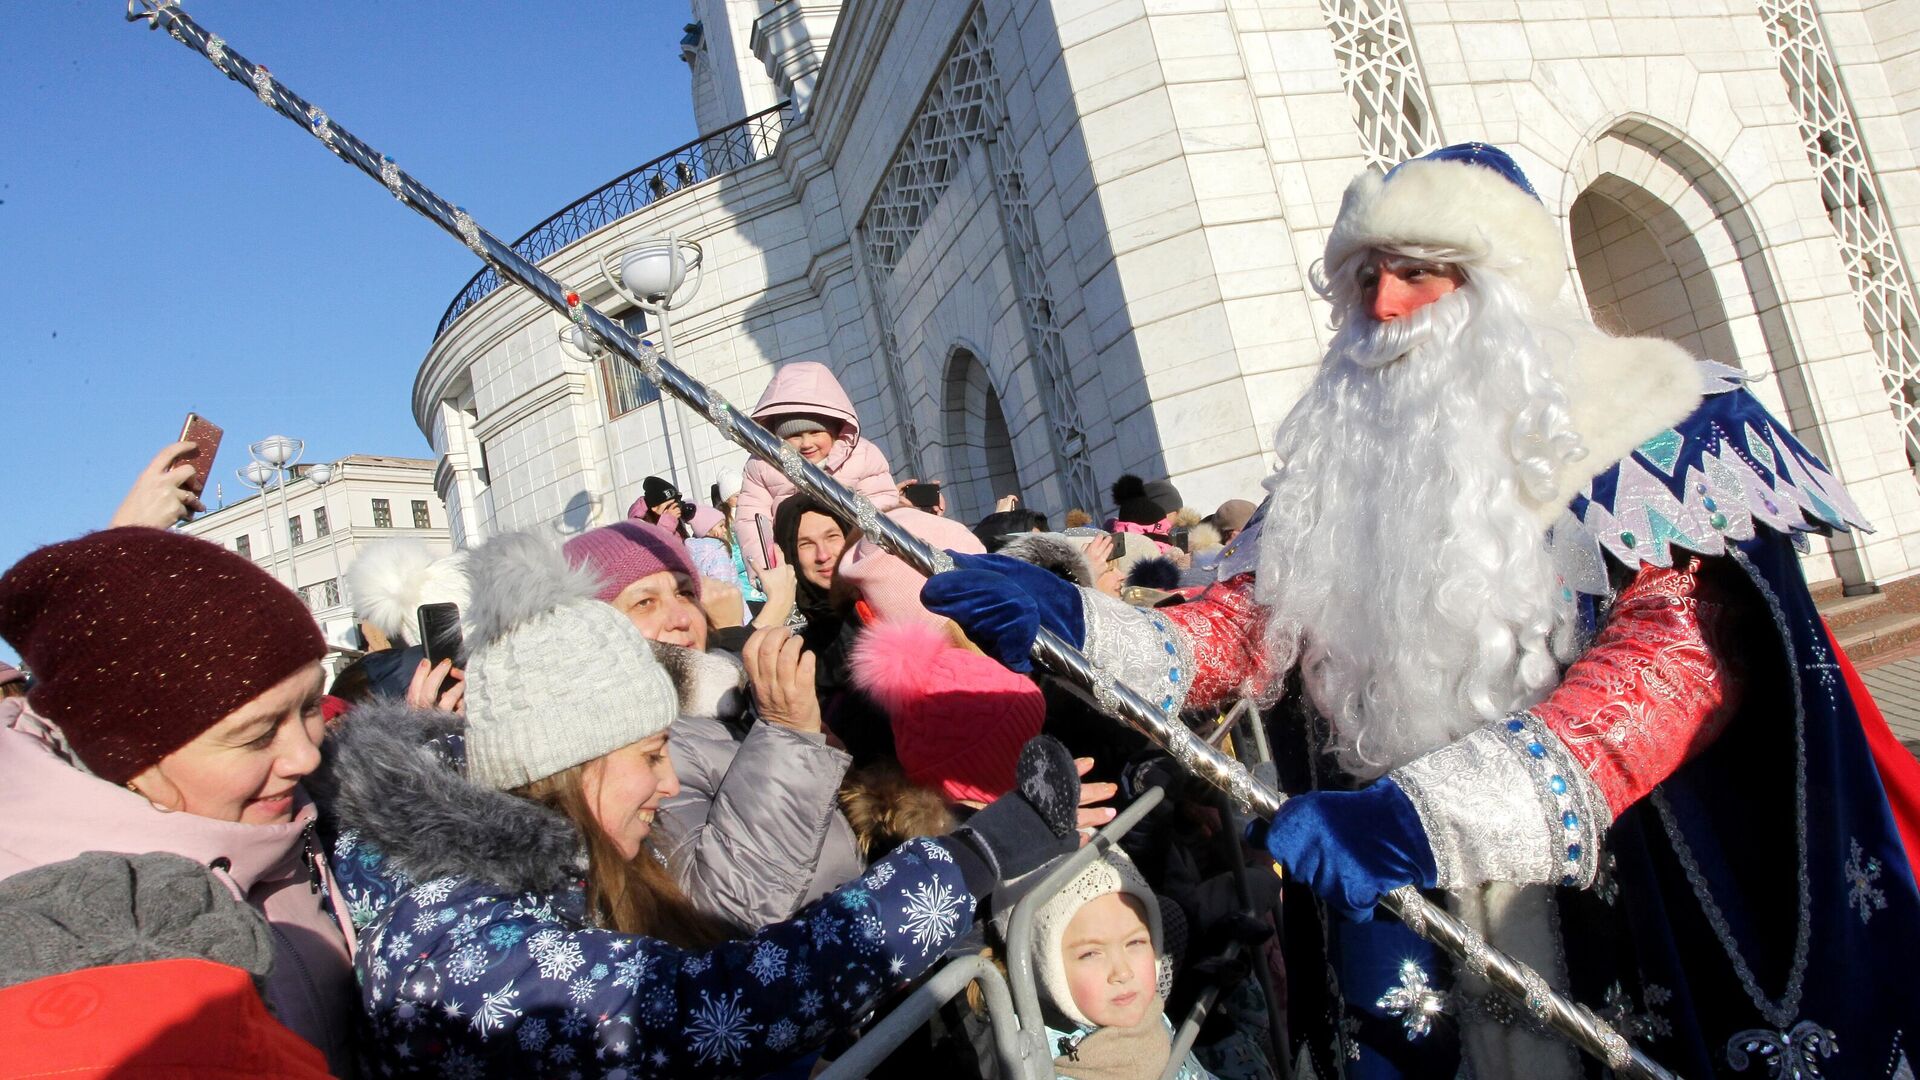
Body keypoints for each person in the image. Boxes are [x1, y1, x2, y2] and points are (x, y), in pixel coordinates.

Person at [925, 143, 1920, 1078]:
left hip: (1614, 884)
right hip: (1402, 893)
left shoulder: (1662, 428)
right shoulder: (1338, 479)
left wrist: (1432, 816)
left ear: (1501, 284)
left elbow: (1682, 661)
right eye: (1362, 279)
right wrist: (1079, 624)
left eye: (1418, 271)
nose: (1386, 306)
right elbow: (1242, 626)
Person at [313, 528, 1107, 1077]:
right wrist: (976, 856)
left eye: (680, 590)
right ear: (567, 762)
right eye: (649, 756)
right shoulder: (449, 942)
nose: (663, 784)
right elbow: (708, 1006)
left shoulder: (544, 871)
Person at [0, 527, 358, 1073]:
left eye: (309, 704)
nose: (306, 757)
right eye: (257, 734)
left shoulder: (300, 820)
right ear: (129, 757)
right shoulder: (36, 929)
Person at [564, 520, 865, 928]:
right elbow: (718, 910)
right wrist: (788, 736)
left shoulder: (732, 699)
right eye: (644, 603)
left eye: (686, 593)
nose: (680, 618)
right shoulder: (628, 747)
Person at [1032, 849, 1212, 1080]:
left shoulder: (1154, 1014)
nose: (1123, 972)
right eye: (1090, 954)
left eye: (1135, 942)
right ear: (1048, 971)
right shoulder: (1040, 1064)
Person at [736, 361, 902, 570]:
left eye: (815, 433)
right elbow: (752, 522)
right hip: (798, 567)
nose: (806, 444)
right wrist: (766, 569)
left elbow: (881, 503)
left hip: (858, 560)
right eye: (794, 436)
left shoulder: (862, 455)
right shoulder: (762, 466)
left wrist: (872, 557)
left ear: (833, 430)